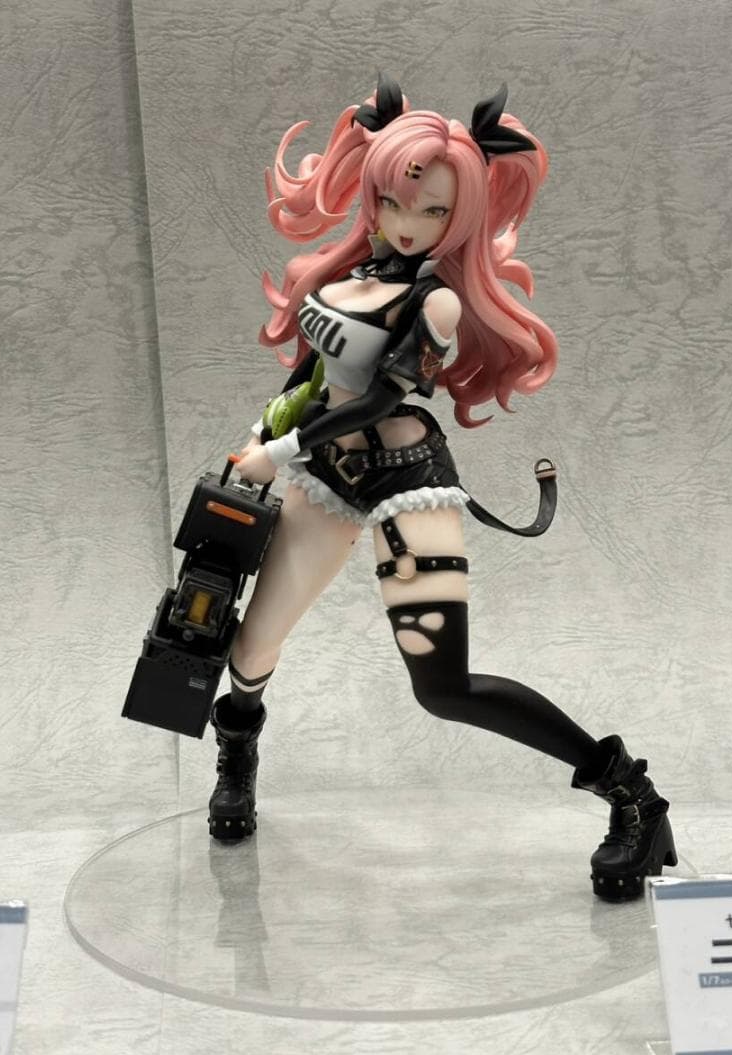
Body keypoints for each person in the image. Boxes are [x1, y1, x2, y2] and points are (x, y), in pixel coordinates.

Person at [208, 76, 677, 902]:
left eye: (434, 212)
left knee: (444, 688)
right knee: (249, 648)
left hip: (405, 483)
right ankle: (237, 757)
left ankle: (631, 797)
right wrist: (261, 435)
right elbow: (311, 379)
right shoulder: (340, 277)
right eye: (396, 200)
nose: (409, 222)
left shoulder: (438, 304)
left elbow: (379, 399)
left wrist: (275, 452)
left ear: (461, 220)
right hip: (325, 475)